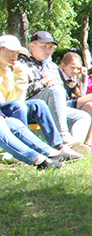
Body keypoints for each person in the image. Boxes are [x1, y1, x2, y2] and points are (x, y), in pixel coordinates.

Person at [0, 35, 71, 168]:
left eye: (17, 52)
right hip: (5, 111)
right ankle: (39, 158)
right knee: (17, 108)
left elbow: (16, 98)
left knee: (37, 105)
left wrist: (19, 74)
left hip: (7, 110)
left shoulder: (9, 72)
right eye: (11, 51)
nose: (15, 55)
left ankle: (55, 148)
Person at [19, 31, 92, 152]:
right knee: (54, 90)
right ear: (32, 46)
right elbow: (20, 93)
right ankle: (63, 138)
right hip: (29, 108)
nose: (48, 50)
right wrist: (43, 82)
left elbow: (61, 93)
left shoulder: (51, 66)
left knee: (83, 116)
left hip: (51, 108)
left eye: (50, 47)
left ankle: (73, 147)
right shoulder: (22, 64)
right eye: (43, 46)